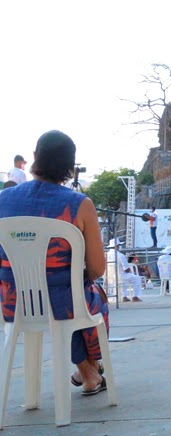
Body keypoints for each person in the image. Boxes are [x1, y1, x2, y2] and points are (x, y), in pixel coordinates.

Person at [0, 130, 108, 395]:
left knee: (66, 296)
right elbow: (96, 269)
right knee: (90, 298)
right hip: (65, 305)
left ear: (35, 158)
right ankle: (89, 368)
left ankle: (88, 372)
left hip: (13, 304)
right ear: (70, 167)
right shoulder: (79, 204)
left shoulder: (1, 201)